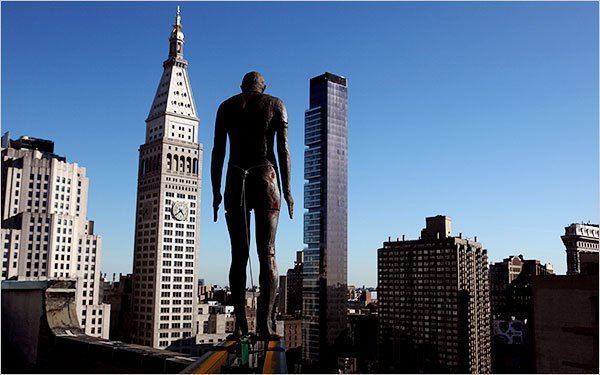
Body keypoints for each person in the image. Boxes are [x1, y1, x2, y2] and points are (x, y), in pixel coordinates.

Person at [211, 71, 293, 338]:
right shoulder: (276, 104)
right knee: (267, 253)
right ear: (263, 86)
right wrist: (288, 190)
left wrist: (215, 192)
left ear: (242, 86)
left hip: (235, 180)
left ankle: (240, 328)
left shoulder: (226, 106)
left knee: (239, 255)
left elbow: (218, 152)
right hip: (266, 178)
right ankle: (265, 326)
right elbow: (283, 151)